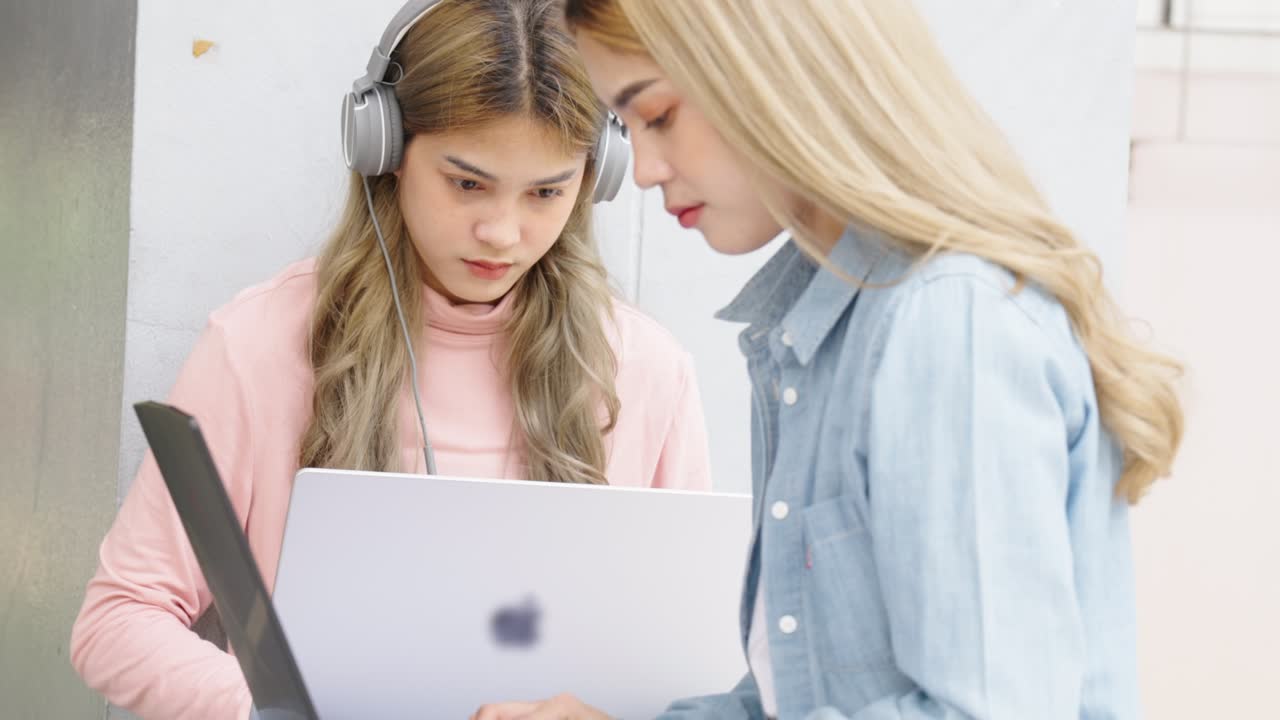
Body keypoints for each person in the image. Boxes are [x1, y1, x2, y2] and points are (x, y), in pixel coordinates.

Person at [473, 1, 1183, 718]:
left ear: (774, 75)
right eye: (627, 129)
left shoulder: (948, 326)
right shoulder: (816, 334)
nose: (646, 169)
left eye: (657, 116)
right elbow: (803, 698)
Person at [70, 1, 710, 717]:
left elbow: (682, 666)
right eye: (467, 183)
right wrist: (268, 711)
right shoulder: (260, 345)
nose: (502, 232)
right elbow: (118, 619)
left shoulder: (648, 369)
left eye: (546, 193)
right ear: (386, 149)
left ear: (594, 179)